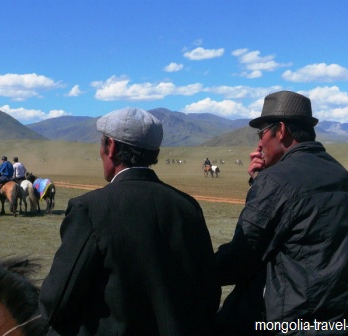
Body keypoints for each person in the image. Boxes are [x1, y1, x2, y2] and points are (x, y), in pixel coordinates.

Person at [39, 107, 221, 335]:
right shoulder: (187, 206)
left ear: (111, 147)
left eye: (101, 144)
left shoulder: (89, 209)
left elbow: (55, 304)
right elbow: (209, 294)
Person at [215, 91, 348, 335]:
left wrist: (197, 267)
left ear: (282, 130)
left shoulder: (276, 181)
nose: (259, 143)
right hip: (343, 320)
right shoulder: (338, 172)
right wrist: (261, 180)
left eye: (262, 132)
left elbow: (241, 258)